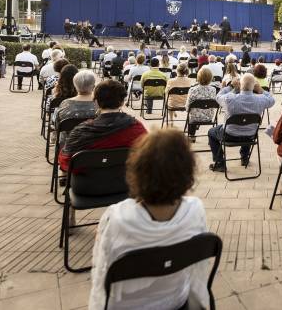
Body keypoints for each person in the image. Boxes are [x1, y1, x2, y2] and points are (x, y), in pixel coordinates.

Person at [88, 128, 211, 310]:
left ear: (138, 170)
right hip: (176, 300)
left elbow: (102, 269)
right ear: (187, 171)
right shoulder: (195, 209)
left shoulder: (117, 217)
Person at [58, 79, 148, 172]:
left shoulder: (81, 132)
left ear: (96, 102)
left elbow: (65, 161)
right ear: (122, 102)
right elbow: (147, 157)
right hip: (126, 182)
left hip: (86, 182)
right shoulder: (137, 128)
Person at [207, 73, 275, 171]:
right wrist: (260, 90)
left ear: (240, 84)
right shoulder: (261, 99)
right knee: (248, 126)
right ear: (254, 85)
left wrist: (231, 86)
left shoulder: (230, 98)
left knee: (211, 132)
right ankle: (244, 158)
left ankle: (220, 163)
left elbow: (218, 97)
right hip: (250, 135)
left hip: (229, 135)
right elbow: (272, 100)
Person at [186, 66, 218, 140]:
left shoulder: (193, 89)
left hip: (194, 118)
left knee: (192, 116)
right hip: (209, 117)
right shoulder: (213, 89)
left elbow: (188, 106)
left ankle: (192, 136)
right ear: (210, 78)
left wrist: (188, 110)